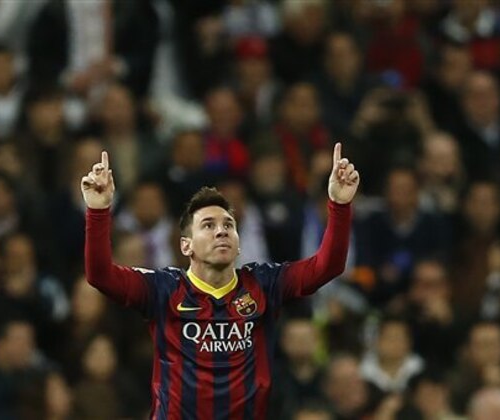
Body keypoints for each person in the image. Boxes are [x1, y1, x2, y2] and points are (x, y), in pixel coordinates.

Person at [81, 143, 359, 419]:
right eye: (208, 225)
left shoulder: (263, 284)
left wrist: (340, 204)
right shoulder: (163, 289)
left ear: (238, 244)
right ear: (186, 245)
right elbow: (100, 275)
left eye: (228, 225)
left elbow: (328, 266)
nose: (222, 231)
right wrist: (98, 211)